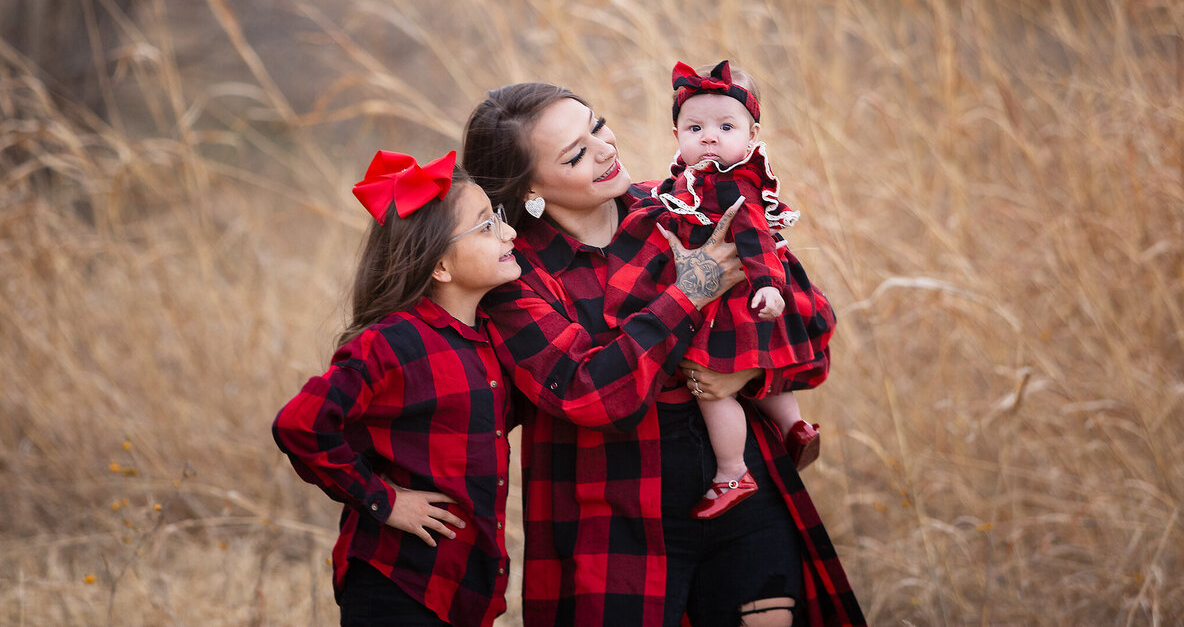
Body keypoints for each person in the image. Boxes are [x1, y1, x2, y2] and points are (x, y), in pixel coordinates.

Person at [463, 85, 865, 627]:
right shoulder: (515, 275)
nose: (605, 149)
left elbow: (812, 329)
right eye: (575, 154)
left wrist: (747, 371)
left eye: (597, 125)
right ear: (530, 187)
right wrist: (691, 294)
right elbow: (591, 393)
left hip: (743, 493)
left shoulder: (684, 209)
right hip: (610, 519)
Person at [272, 150, 521, 627]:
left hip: (463, 580)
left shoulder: (489, 338)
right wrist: (384, 501)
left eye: (500, 218)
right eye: (487, 225)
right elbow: (301, 424)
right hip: (397, 584)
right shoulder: (391, 342)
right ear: (441, 267)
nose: (508, 233)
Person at [604, 59, 835, 520]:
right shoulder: (691, 184)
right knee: (757, 364)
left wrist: (769, 286)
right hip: (737, 299)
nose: (709, 136)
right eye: (695, 127)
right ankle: (795, 426)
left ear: (752, 138)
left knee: (714, 391)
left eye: (725, 126)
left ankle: (732, 472)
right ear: (677, 137)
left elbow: (757, 241)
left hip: (735, 303)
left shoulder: (733, 188)